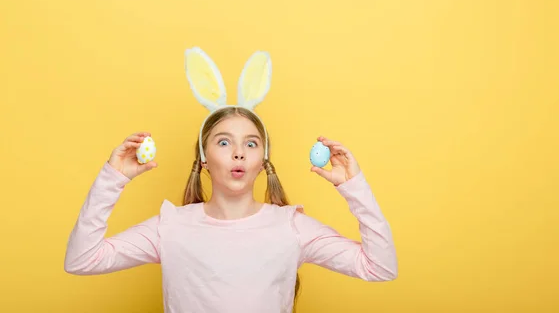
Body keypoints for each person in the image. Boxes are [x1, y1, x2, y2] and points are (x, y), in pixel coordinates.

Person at [64, 49, 397, 313]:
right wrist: (112, 179)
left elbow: (380, 267)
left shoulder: (291, 227)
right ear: (204, 159)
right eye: (224, 142)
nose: (238, 152)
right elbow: (82, 260)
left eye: (250, 143)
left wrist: (353, 187)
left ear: (262, 160)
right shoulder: (171, 227)